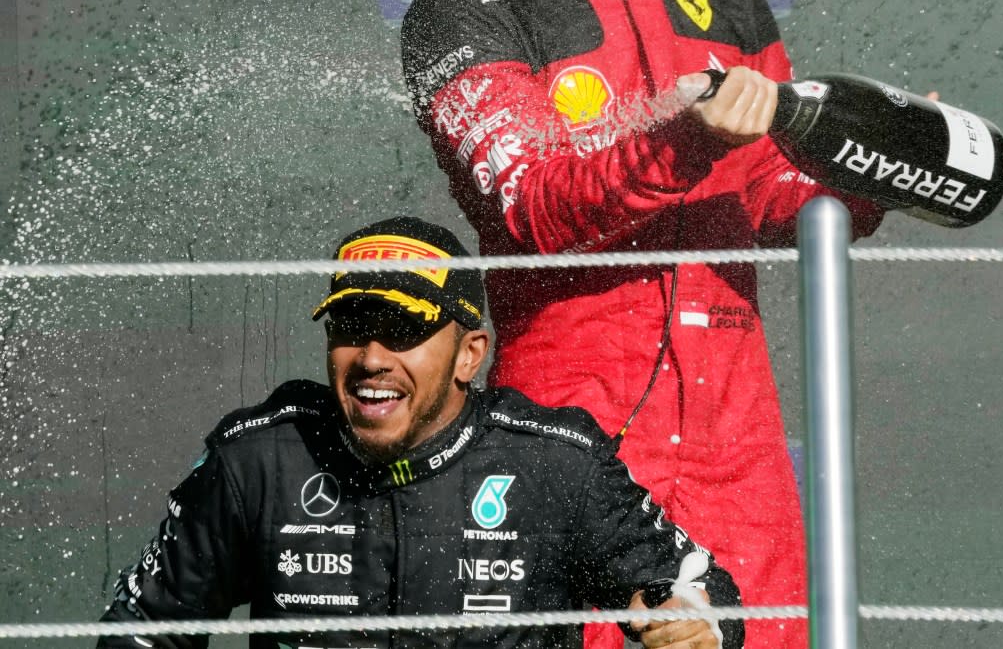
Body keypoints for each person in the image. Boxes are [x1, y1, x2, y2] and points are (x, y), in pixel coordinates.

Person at [400, 0, 889, 647]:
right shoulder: (459, 7)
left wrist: (876, 171)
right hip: (573, 436)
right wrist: (689, 139)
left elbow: (769, 191)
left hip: (738, 444)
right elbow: (533, 208)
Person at [96, 216, 744, 649]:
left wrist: (689, 618)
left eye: (403, 331)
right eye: (350, 328)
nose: (372, 359)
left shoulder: (553, 461)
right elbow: (144, 626)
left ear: (470, 354)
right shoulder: (260, 459)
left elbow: (699, 585)